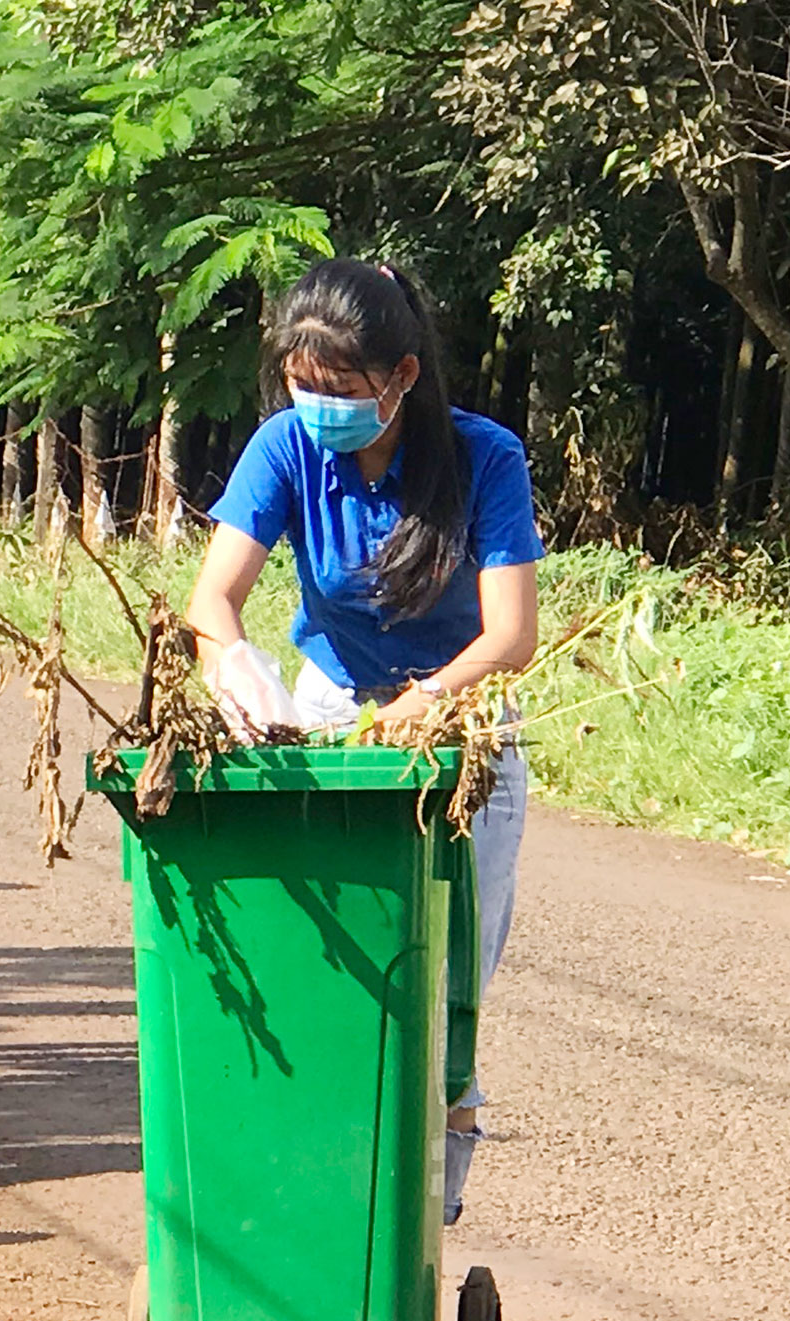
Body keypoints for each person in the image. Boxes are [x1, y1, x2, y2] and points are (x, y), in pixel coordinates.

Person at [184, 258, 541, 1227]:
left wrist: (424, 704)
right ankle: (320, 1180)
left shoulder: (484, 459)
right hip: (335, 717)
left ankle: (425, 1207)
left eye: (341, 391)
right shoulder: (284, 449)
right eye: (303, 386)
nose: (318, 408)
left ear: (403, 378)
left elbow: (510, 633)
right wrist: (234, 664)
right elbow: (213, 597)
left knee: (447, 975)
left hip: (461, 731)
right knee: (329, 959)